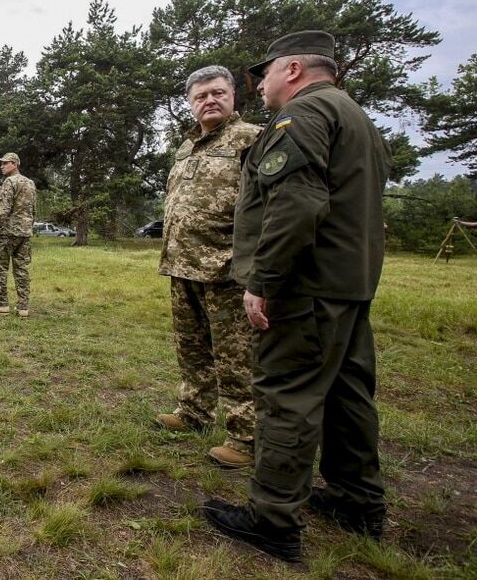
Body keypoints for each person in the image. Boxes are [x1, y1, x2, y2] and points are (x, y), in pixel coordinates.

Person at [203, 31, 392, 563]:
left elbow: (296, 206)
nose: (260, 85)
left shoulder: (301, 118)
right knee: (347, 395)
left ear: (291, 70)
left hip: (305, 288)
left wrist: (263, 281)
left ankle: (272, 520)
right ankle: (358, 503)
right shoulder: (355, 118)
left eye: (264, 74)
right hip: (348, 285)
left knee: (287, 393)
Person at [156, 66, 262, 469]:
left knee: (236, 358)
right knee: (192, 349)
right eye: (200, 97)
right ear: (191, 103)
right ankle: (194, 413)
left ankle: (246, 437)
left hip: (227, 272)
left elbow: (266, 207)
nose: (209, 101)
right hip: (183, 267)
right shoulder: (188, 147)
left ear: (233, 96)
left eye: (217, 93)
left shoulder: (251, 140)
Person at [0, 152, 36, 317]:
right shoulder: (30, 183)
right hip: (25, 232)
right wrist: (28, 226)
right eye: (1, 164)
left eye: (5, 163)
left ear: (15, 164)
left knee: (0, 266)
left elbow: (2, 209)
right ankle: (23, 307)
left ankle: (2, 304)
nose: (2, 166)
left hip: (8, 231)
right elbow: (32, 209)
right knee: (22, 269)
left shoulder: (10, 181)